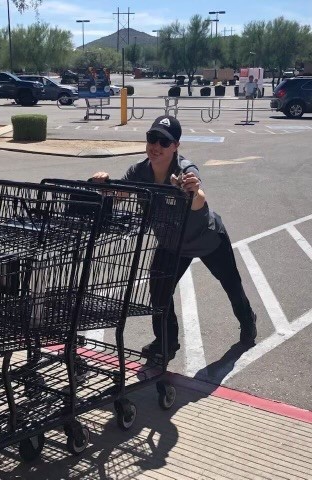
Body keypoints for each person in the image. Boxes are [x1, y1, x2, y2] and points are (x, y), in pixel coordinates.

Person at [92, 115, 257, 361]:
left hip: (207, 239)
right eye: (152, 138)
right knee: (158, 291)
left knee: (232, 285)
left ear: (176, 146)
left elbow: (198, 196)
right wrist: (104, 185)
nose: (156, 146)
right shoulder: (139, 171)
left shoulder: (185, 170)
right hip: (171, 243)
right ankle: (166, 342)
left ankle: (247, 320)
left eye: (164, 141)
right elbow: (120, 193)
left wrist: (192, 190)